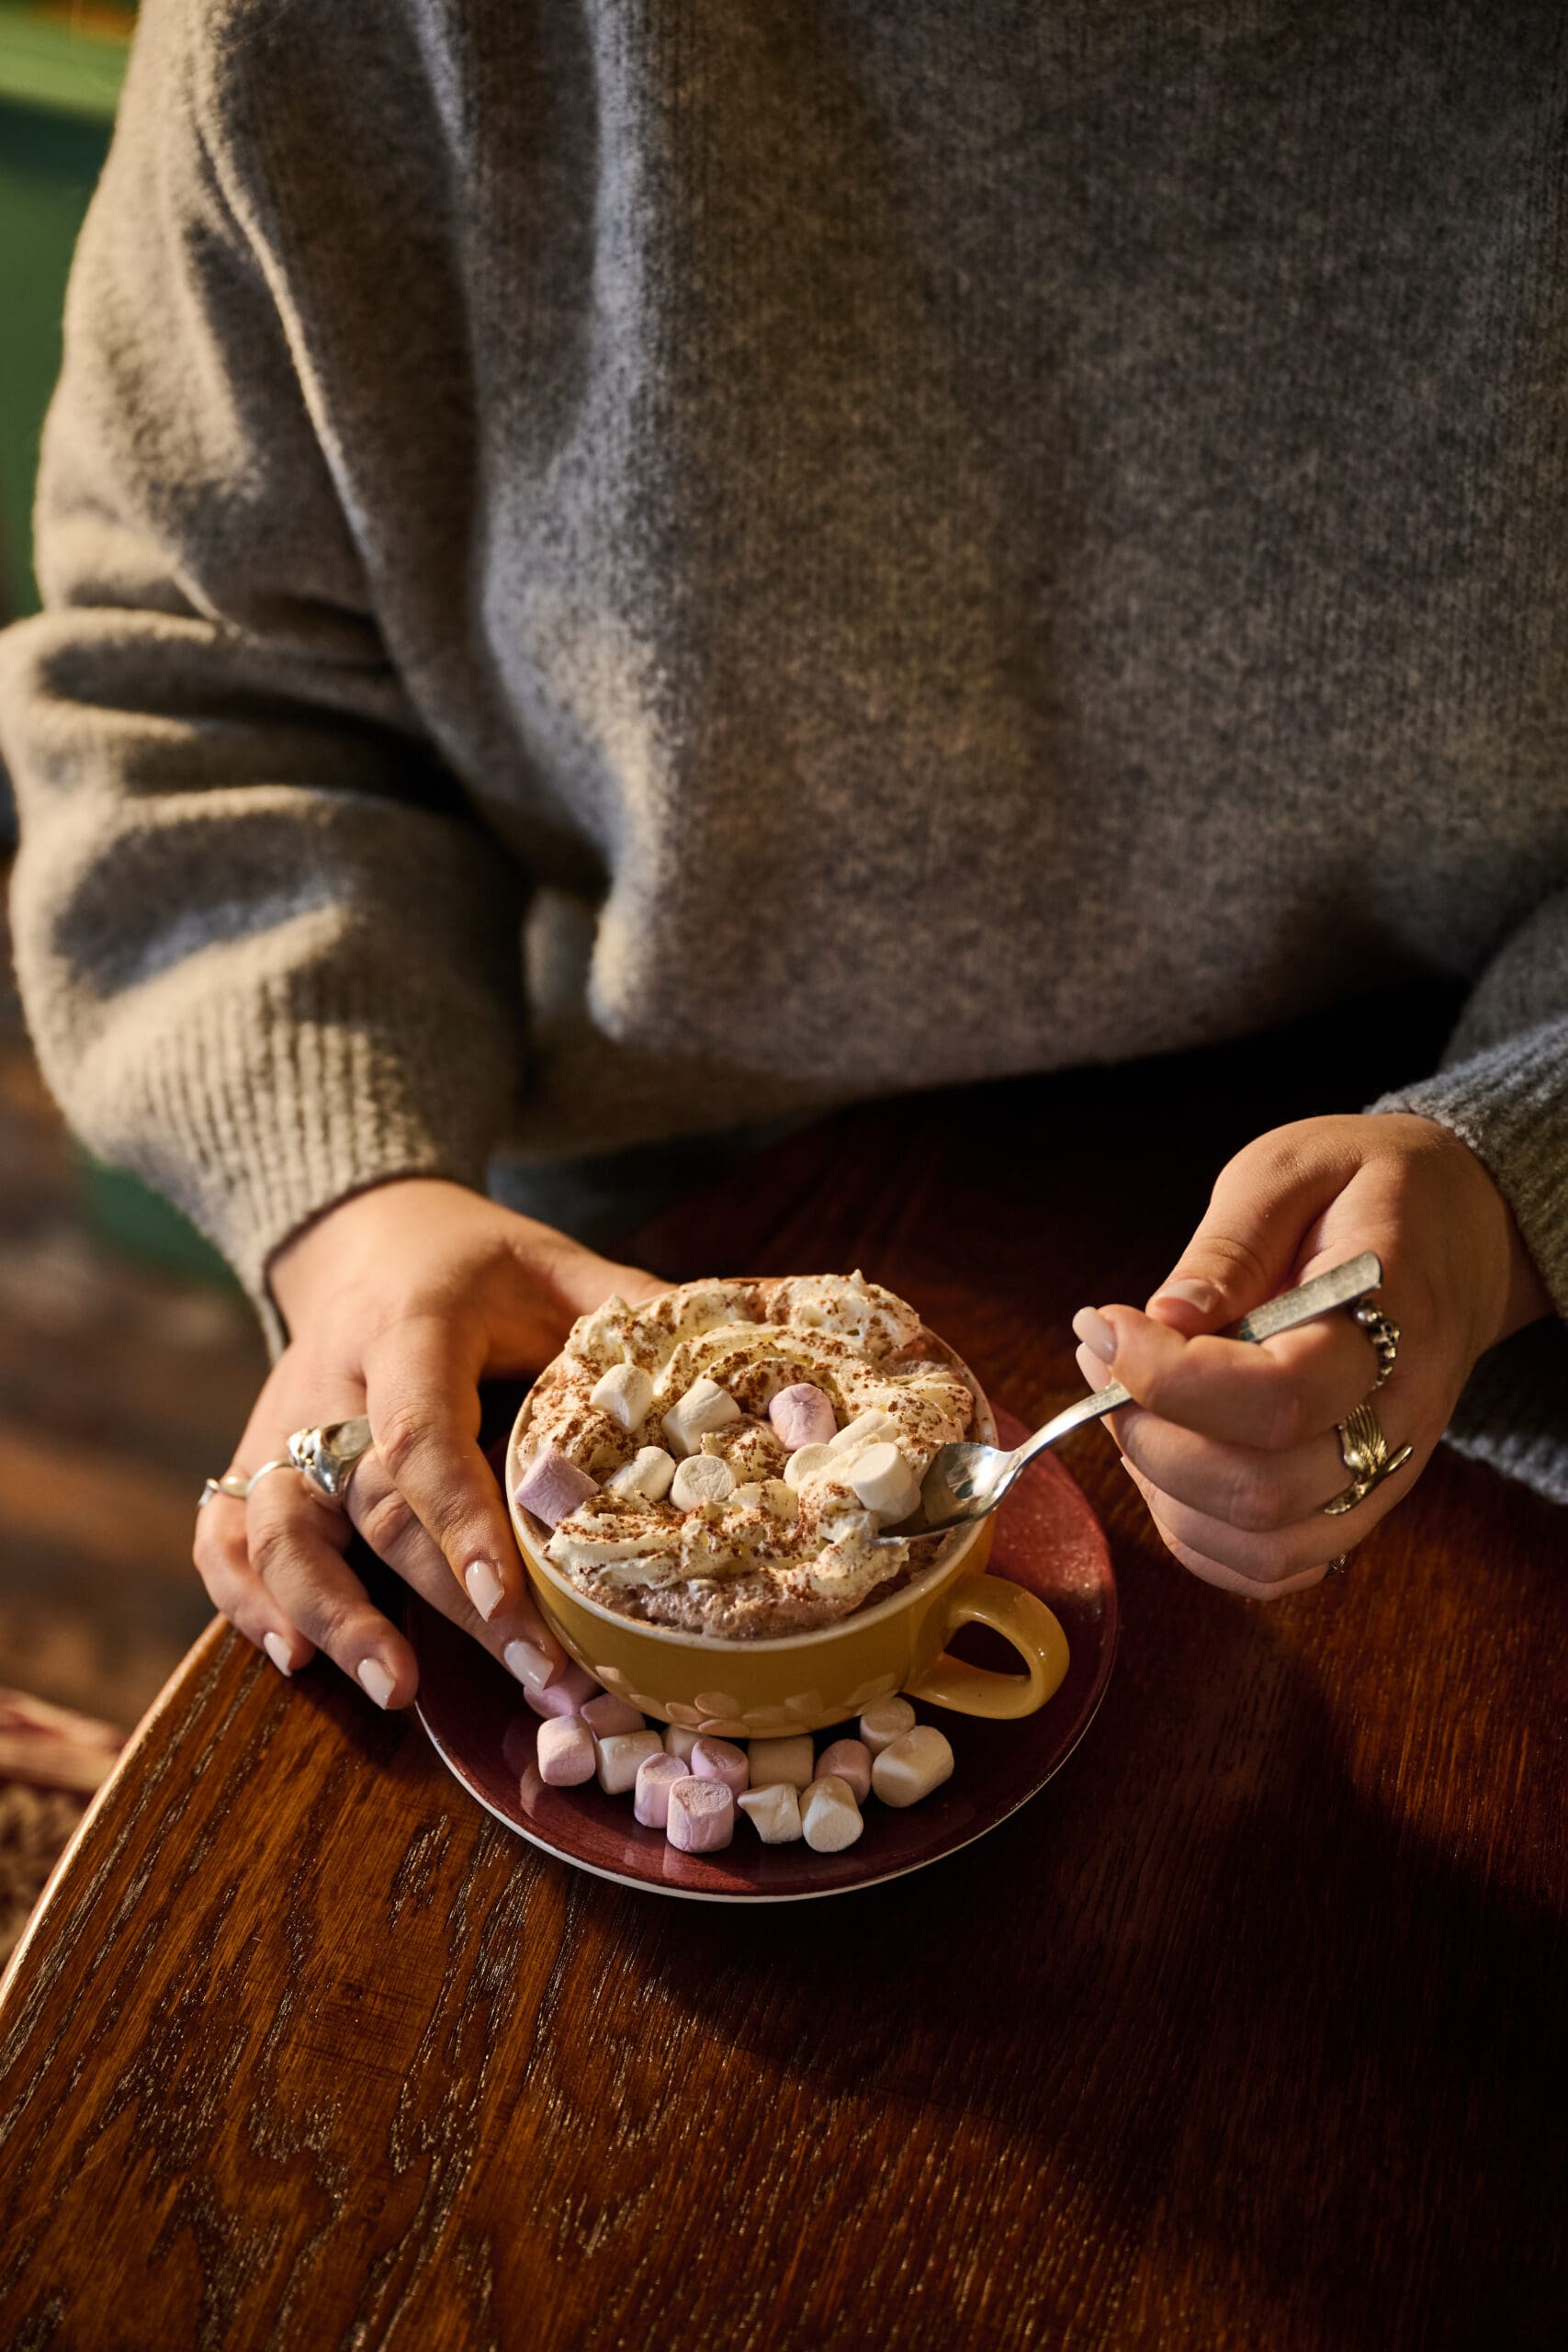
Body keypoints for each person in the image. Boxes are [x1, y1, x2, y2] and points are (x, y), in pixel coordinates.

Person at [1, 0, 1562, 1711]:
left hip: (1468, 1301)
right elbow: (198, 689)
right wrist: (355, 1215)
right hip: (596, 1252)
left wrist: (1516, 1177)